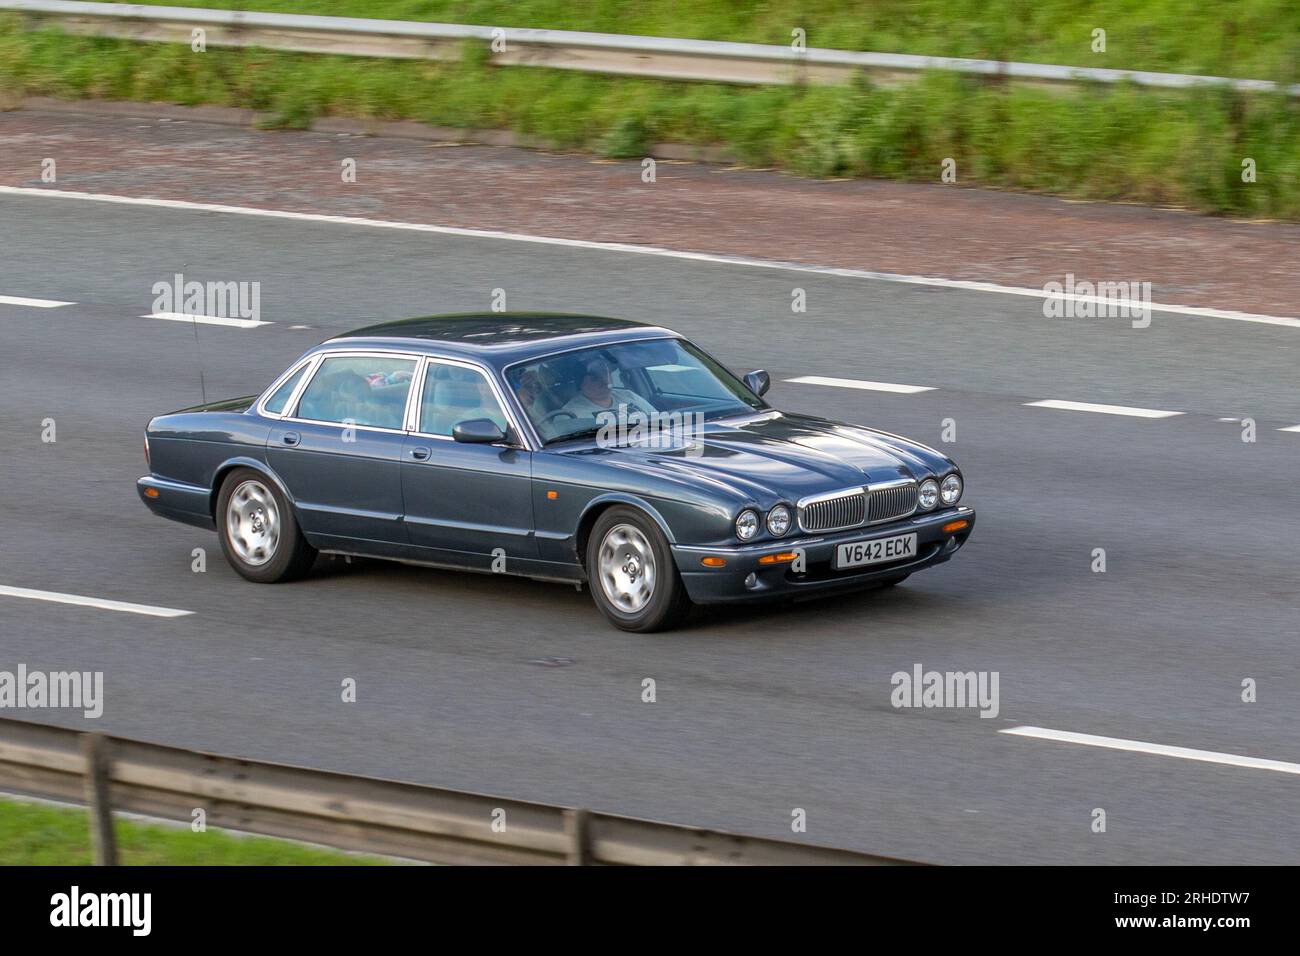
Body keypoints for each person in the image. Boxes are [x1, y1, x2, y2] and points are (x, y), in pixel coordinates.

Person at [562, 358, 656, 422]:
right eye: (595, 378)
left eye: (606, 375)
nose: (605, 381)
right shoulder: (570, 414)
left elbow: (658, 419)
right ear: (580, 383)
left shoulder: (628, 395)